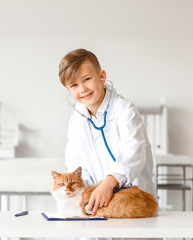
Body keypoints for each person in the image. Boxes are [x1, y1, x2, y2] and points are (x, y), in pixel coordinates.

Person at [59, 48, 155, 216]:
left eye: (87, 79)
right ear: (68, 90)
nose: (82, 89)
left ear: (102, 76)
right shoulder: (77, 119)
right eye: (74, 85)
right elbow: (76, 162)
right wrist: (84, 194)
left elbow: (132, 153)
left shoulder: (125, 111)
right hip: (97, 204)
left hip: (130, 201)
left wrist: (108, 184)